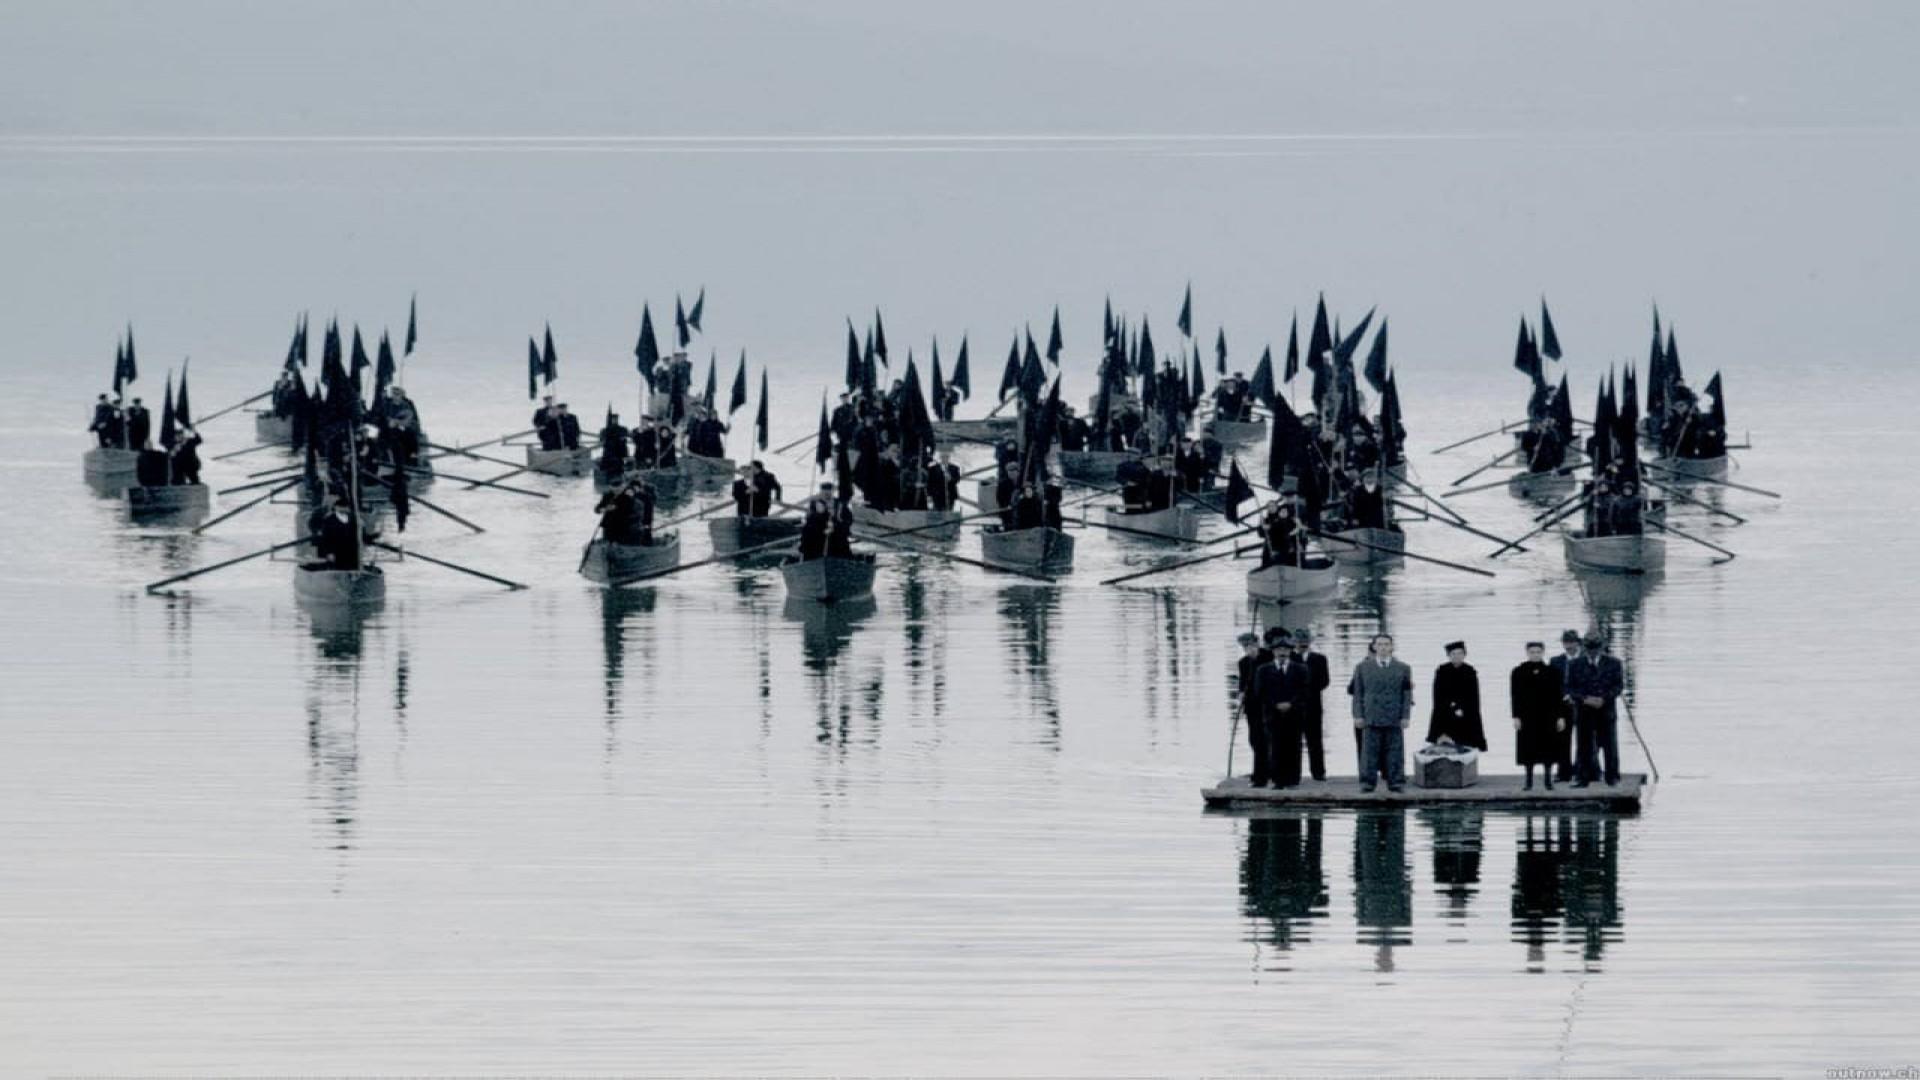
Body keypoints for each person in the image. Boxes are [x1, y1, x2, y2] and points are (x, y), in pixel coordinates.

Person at [1349, 633, 1414, 793]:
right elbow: (1358, 693)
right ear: (1374, 647)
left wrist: (1405, 716)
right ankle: (1367, 783)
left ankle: (1395, 782)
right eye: (1380, 644)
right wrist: (1358, 715)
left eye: (1386, 644)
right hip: (1371, 715)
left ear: (1392, 647)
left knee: (1395, 751)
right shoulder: (1362, 667)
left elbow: (1407, 695)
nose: (1383, 647)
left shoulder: (1403, 668)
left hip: (1394, 715)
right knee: (1369, 751)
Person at [1564, 632, 1625, 787]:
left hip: (1606, 710)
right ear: (1585, 648)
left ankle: (1612, 777)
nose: (1593, 652)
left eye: (1596, 649)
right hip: (1584, 711)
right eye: (1590, 649)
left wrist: (1604, 698)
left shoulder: (1614, 663)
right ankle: (1583, 778)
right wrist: (1585, 699)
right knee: (1583, 745)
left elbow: (1618, 686)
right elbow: (1570, 688)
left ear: (1602, 647)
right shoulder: (1574, 664)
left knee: (1610, 745)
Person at [1255, 631, 1311, 787]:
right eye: (1279, 650)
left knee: (1294, 746)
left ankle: (1293, 779)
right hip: (1272, 715)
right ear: (1273, 651)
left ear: (1291, 651)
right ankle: (1277, 779)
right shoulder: (1263, 670)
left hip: (1294, 714)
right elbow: (1260, 692)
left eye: (1286, 650)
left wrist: (1291, 704)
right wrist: (1275, 704)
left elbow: (1305, 691)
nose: (1282, 653)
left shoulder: (1301, 669)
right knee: (1275, 746)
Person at [1511, 642, 1565, 791]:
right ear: (1527, 653)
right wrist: (1516, 717)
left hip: (1548, 716)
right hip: (1527, 716)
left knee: (1548, 747)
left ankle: (1548, 780)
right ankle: (1528, 782)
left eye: (1538, 652)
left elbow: (1558, 696)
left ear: (1543, 653)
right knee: (1528, 748)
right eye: (1532, 652)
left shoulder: (1552, 672)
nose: (1535, 654)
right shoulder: (1518, 672)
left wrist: (1560, 717)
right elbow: (1515, 696)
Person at [1427, 641, 1487, 751]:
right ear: (1448, 656)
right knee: (1445, 747)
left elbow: (1474, 697)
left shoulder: (1470, 671)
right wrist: (1453, 707)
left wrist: (1464, 709)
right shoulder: (1442, 671)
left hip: (1466, 715)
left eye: (1460, 653)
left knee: (1467, 746)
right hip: (1445, 714)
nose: (1457, 656)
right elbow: (1438, 696)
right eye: (1453, 654)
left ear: (1464, 655)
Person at [1235, 631, 1276, 787]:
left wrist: (1256, 659)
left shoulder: (1268, 657)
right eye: (1244, 646)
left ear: (1257, 643)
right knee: (1254, 740)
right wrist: (1241, 694)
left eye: (1250, 645)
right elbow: (1242, 683)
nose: (1247, 648)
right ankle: (1262, 770)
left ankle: (1265, 773)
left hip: (1268, 706)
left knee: (1267, 740)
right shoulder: (1243, 663)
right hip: (1252, 707)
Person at [1291, 627, 1332, 781]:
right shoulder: (1289, 659)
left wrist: (1308, 687)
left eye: (1305, 641)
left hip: (1314, 705)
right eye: (1299, 641)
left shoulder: (1320, 659)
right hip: (1293, 707)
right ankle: (1294, 774)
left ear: (1310, 641)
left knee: (1315, 740)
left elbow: (1325, 681)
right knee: (1294, 741)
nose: (1302, 644)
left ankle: (1319, 773)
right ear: (1294, 642)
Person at [1549, 630, 1582, 781]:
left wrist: (1575, 695)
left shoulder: (1585, 659)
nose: (1568, 646)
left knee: (1585, 738)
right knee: (1562, 738)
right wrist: (1564, 695)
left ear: (1578, 642)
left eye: (1571, 642)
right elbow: (1553, 684)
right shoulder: (1555, 661)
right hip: (1563, 705)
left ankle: (1582, 769)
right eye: (1566, 642)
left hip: (1583, 703)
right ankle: (1563, 771)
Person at [595, 475, 656, 545]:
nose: (616, 489)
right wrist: (605, 509)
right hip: (608, 526)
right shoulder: (607, 496)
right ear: (610, 487)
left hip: (622, 527)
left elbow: (630, 510)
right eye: (614, 487)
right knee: (608, 541)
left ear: (623, 486)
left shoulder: (629, 497)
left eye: (619, 487)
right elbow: (597, 509)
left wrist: (616, 508)